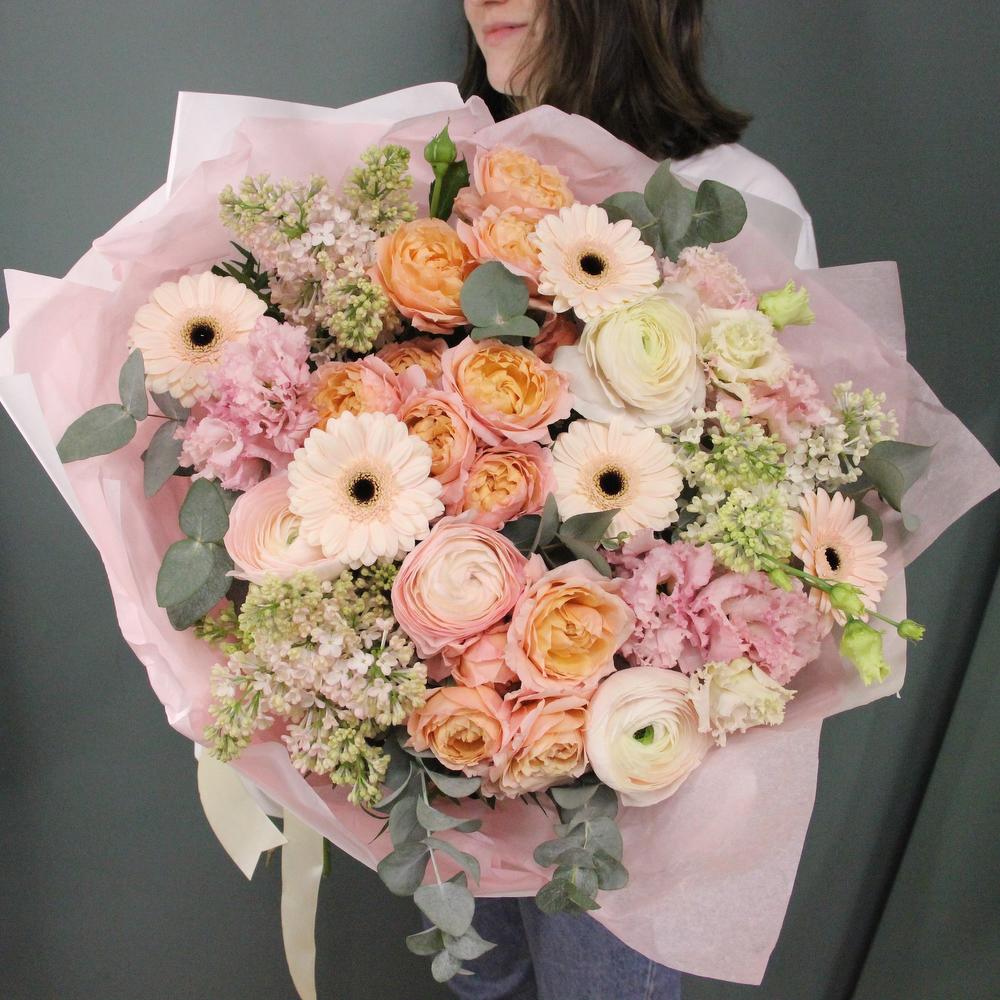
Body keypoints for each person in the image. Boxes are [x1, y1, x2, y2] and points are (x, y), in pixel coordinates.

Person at [436, 2, 820, 999]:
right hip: (462, 729)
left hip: (626, 772)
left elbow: (783, 492)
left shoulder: (733, 198)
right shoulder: (454, 179)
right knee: (479, 983)